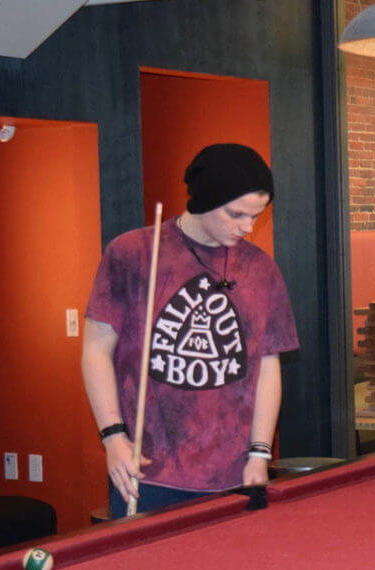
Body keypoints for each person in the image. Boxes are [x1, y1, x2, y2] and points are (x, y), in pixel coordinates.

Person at [82, 143, 299, 518]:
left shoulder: (261, 270)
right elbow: (96, 350)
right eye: (236, 215)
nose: (248, 227)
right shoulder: (133, 253)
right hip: (148, 471)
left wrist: (260, 452)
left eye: (256, 216)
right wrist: (113, 437)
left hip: (234, 474)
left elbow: (267, 365)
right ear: (204, 201)